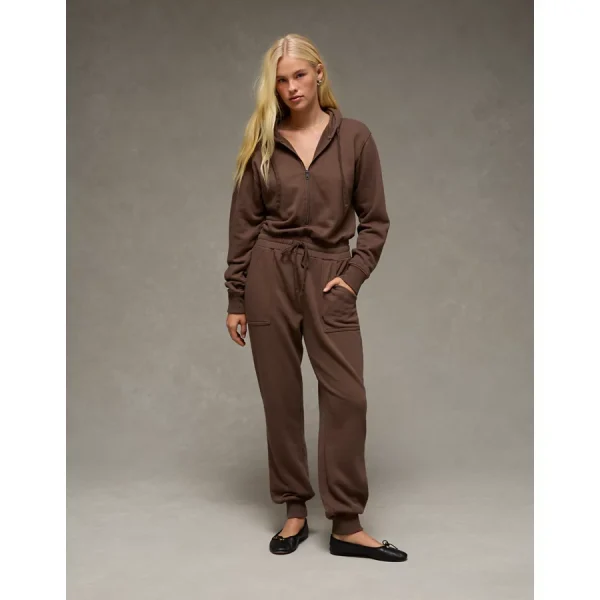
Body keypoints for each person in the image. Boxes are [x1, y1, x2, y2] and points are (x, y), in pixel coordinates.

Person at [224, 33, 407, 563]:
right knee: (280, 397)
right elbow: (243, 224)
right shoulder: (263, 141)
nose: (291, 88)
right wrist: (237, 296)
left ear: (319, 73)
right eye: (281, 80)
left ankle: (346, 524)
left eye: (300, 75)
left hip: (330, 275)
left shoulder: (354, 138)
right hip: (269, 275)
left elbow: (375, 221)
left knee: (348, 397)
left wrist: (352, 277)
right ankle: (294, 509)